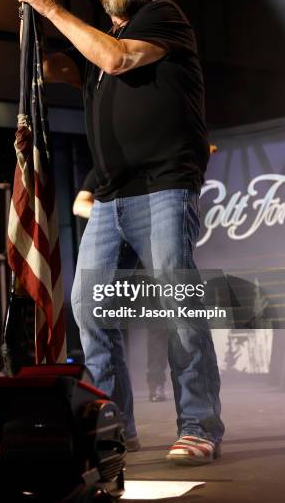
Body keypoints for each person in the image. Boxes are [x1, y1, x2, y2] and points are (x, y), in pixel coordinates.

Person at [17, 0, 224, 463]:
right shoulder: (90, 42)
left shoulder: (162, 18)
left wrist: (51, 5)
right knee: (88, 312)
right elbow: (43, 66)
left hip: (163, 188)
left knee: (177, 305)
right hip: (110, 198)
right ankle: (113, 426)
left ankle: (200, 425)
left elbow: (116, 58)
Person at [73, 170, 168, 403]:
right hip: (116, 256)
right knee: (100, 317)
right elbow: (79, 205)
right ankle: (114, 411)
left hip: (149, 256)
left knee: (159, 323)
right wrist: (118, 218)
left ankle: (156, 383)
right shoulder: (105, 168)